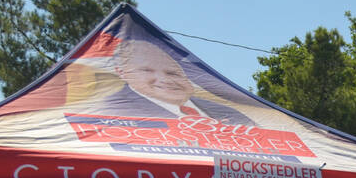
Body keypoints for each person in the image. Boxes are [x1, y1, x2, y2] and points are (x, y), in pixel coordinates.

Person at [96, 38, 257, 125]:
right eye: (147, 70)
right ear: (122, 72)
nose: (165, 79)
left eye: (172, 72)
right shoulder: (111, 112)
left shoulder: (228, 112)